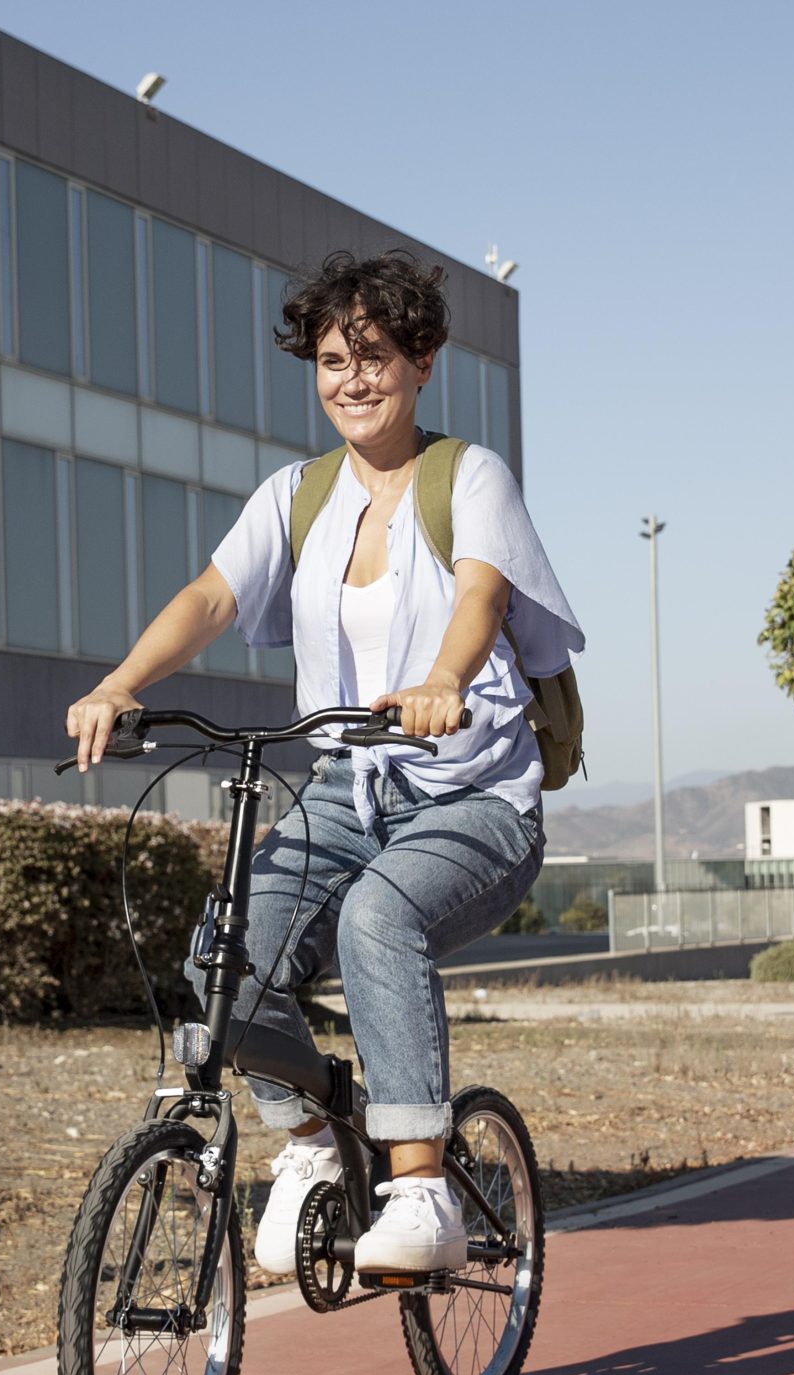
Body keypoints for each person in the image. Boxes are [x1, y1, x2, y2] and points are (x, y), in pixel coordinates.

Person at [63, 250, 583, 1275]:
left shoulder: (468, 478)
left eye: (377, 355)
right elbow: (212, 596)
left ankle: (424, 1185)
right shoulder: (296, 496)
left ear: (422, 360)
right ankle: (308, 1141)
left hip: (472, 799)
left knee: (376, 914)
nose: (354, 377)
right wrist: (118, 682)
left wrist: (442, 677)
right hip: (348, 789)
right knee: (224, 949)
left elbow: (480, 595)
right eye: (334, 357)